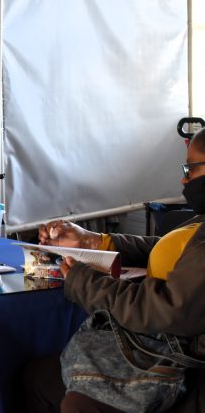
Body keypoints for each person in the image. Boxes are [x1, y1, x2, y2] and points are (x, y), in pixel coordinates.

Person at [23, 128, 205, 412]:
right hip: (156, 346)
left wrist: (84, 281)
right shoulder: (199, 223)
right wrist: (94, 241)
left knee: (75, 402)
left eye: (191, 169)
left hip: (178, 365)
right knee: (35, 377)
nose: (184, 178)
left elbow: (166, 310)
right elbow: (168, 249)